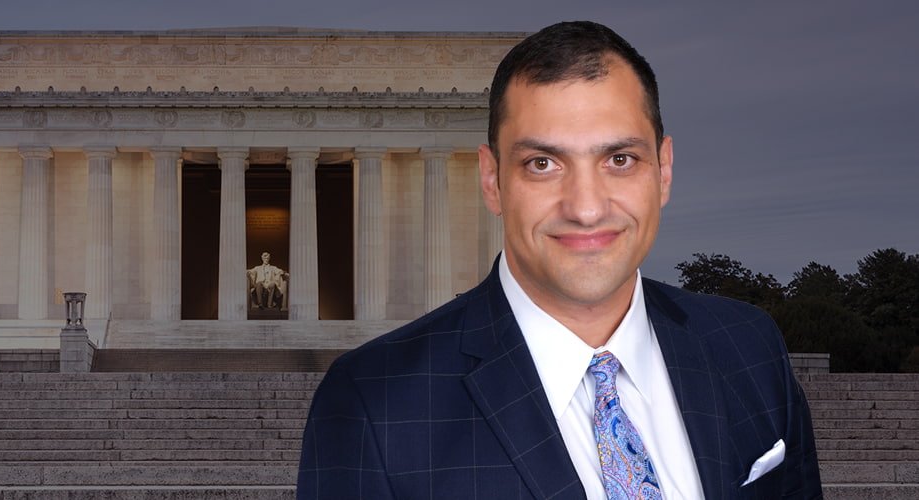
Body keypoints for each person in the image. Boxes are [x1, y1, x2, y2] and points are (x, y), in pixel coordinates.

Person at [297, 21, 820, 499]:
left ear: (663, 171)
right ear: (492, 180)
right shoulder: (372, 404)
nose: (587, 208)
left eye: (620, 159)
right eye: (542, 163)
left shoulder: (748, 347)